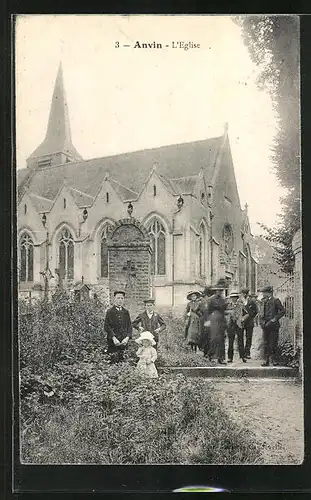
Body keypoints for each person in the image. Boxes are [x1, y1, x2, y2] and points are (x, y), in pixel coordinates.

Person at [259, 285, 285, 366]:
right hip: (265, 325)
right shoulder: (263, 301)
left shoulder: (276, 301)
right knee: (265, 343)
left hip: (273, 325)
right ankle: (266, 360)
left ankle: (273, 359)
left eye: (264, 292)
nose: (263, 294)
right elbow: (260, 313)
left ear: (269, 293)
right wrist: (262, 322)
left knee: (273, 343)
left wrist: (275, 319)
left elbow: (282, 311)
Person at [104, 290, 132, 363]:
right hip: (113, 341)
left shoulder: (126, 312)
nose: (120, 300)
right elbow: (106, 326)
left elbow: (129, 326)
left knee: (124, 360)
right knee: (113, 360)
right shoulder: (110, 311)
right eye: (118, 298)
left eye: (122, 298)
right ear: (114, 299)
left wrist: (127, 338)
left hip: (124, 341)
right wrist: (113, 338)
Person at [205, 278, 228, 364]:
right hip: (213, 319)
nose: (220, 292)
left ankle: (221, 358)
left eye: (221, 290)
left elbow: (224, 310)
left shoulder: (223, 299)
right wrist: (207, 321)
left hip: (221, 320)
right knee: (213, 338)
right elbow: (208, 311)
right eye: (218, 290)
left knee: (221, 339)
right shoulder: (211, 299)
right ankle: (210, 356)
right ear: (215, 291)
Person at [226, 290, 246, 363]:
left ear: (237, 298)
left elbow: (247, 314)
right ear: (230, 298)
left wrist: (242, 319)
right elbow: (224, 313)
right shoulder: (228, 305)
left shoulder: (241, 305)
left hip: (239, 324)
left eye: (235, 297)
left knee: (240, 340)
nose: (234, 299)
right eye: (232, 297)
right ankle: (230, 358)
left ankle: (243, 356)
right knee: (230, 341)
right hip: (230, 325)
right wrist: (229, 313)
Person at [240, 287, 259, 359]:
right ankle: (241, 353)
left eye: (245, 293)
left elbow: (256, 311)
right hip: (241, 322)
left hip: (249, 322)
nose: (244, 294)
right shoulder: (239, 301)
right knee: (240, 338)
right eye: (243, 293)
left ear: (247, 294)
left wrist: (250, 316)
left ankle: (247, 352)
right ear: (241, 294)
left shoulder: (251, 301)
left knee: (249, 338)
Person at [199, 286, 214, 357]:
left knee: (207, 335)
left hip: (207, 319)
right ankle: (207, 352)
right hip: (205, 319)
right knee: (206, 335)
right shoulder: (204, 301)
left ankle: (208, 352)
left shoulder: (208, 301)